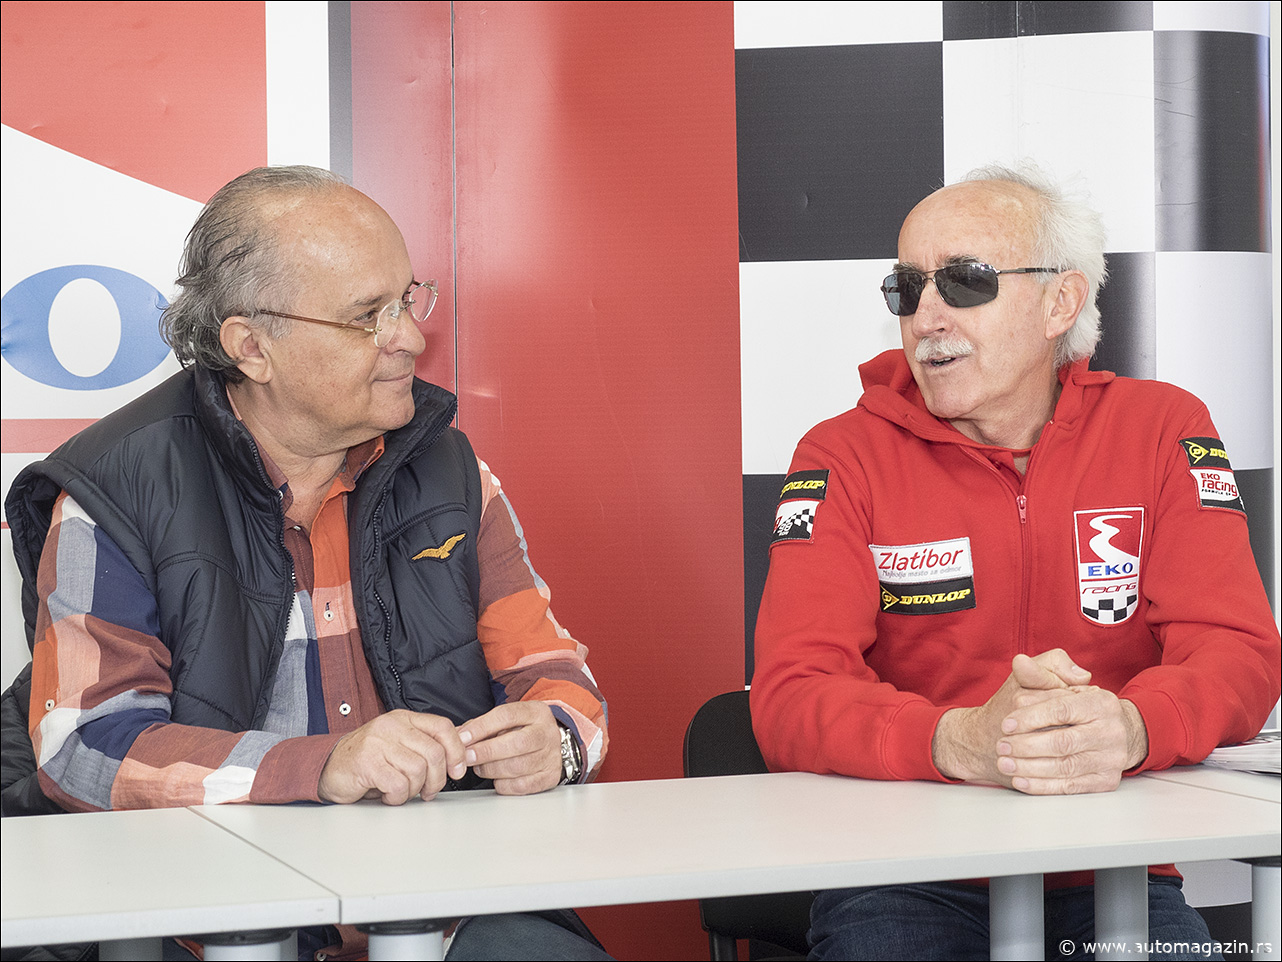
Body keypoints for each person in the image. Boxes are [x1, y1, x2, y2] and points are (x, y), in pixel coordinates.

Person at [2, 166, 610, 961]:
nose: (410, 337)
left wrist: (555, 736)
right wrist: (318, 768)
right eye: (367, 316)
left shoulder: (453, 475)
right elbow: (87, 748)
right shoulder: (115, 492)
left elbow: (556, 675)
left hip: (443, 910)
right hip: (204, 921)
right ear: (252, 347)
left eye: (406, 300)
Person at [750, 163, 1281, 961]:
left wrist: (1132, 728)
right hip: (903, 875)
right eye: (906, 289)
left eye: (964, 282)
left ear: (1060, 302)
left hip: (1112, 867)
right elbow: (791, 694)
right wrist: (958, 740)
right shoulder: (842, 455)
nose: (927, 317)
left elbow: (1237, 652)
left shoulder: (1163, 428)